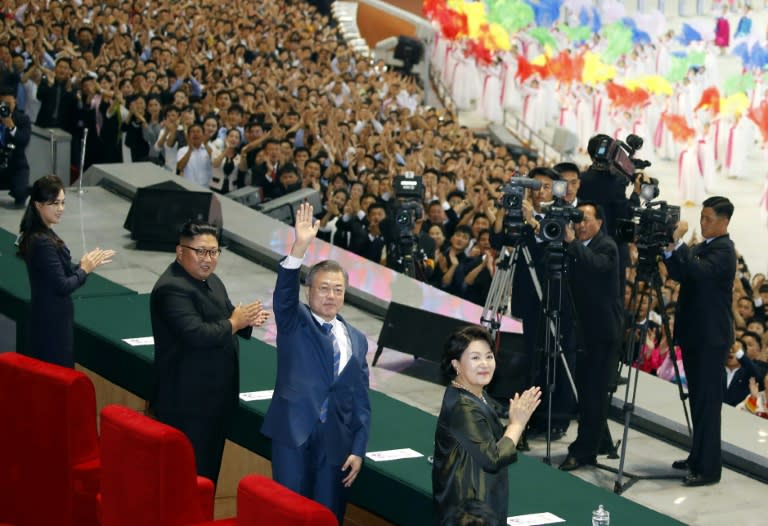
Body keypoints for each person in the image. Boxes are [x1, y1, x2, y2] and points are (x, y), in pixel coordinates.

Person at [262, 202, 371, 525]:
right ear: (309, 290)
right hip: (293, 433)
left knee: (327, 516)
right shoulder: (295, 320)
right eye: (323, 288)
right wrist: (300, 246)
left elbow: (361, 400)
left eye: (338, 290)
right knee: (288, 514)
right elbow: (283, 292)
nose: (330, 296)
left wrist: (359, 448)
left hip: (336, 445)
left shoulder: (357, 338)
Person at [150, 221, 269, 485]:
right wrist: (235, 323)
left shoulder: (211, 280)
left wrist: (246, 320)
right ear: (180, 252)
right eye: (201, 251)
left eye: (214, 252)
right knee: (186, 479)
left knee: (207, 475)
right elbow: (197, 334)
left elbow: (227, 313)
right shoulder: (172, 288)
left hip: (214, 402)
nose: (208, 259)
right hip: (187, 404)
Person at [433, 325, 541, 525]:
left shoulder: (474, 392)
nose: (485, 364)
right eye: (475, 358)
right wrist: (517, 424)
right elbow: (493, 458)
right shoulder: (462, 407)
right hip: (469, 512)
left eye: (489, 356)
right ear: (456, 364)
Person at [665, 196, 736, 486]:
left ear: (724, 222)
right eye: (702, 217)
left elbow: (699, 272)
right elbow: (682, 273)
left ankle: (709, 468)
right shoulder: (706, 246)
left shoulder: (723, 251)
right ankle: (698, 455)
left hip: (710, 338)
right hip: (697, 335)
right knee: (698, 401)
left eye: (708, 219)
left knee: (707, 404)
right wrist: (670, 250)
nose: (702, 223)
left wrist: (680, 245)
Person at [17, 175, 115, 367]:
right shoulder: (42, 241)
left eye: (62, 203)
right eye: (54, 203)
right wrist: (84, 269)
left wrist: (82, 267)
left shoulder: (41, 234)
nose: (60, 209)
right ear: (38, 205)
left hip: (49, 318)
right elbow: (62, 285)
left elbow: (60, 277)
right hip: (52, 324)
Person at [559, 202, 623, 471]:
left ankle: (584, 451)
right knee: (587, 393)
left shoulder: (606, 246)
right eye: (577, 220)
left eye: (585, 220)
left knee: (594, 394)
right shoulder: (577, 247)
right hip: (583, 331)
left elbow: (596, 267)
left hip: (603, 334)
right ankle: (598, 442)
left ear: (599, 222)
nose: (580, 224)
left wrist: (572, 244)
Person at [0, 85, 32, 206]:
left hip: (16, 165)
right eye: (3, 104)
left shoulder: (23, 119)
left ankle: (24, 189)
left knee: (20, 194)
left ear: (15, 102)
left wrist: (12, 127)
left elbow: (24, 140)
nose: (6, 107)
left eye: (9, 103)